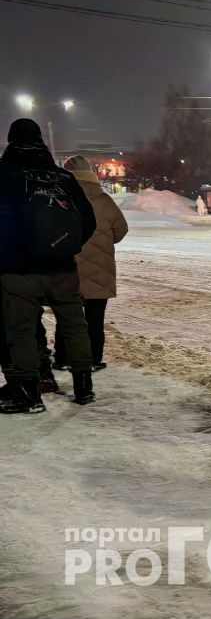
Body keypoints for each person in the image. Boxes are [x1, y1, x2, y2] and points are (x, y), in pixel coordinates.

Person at [0, 119, 98, 413]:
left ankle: (28, 394)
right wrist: (66, 248)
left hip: (18, 270)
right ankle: (83, 387)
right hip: (63, 268)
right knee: (74, 325)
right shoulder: (62, 177)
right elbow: (88, 221)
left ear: (11, 140)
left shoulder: (5, 174)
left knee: (21, 329)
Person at [55, 156, 128, 371]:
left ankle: (63, 359)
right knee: (95, 320)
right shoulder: (104, 200)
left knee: (67, 318)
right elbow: (121, 229)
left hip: (67, 269)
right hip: (99, 270)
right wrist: (104, 241)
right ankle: (94, 359)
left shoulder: (60, 198)